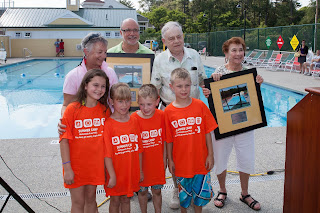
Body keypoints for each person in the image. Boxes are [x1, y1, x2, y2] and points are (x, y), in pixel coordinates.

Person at [150, 21, 207, 209]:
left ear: (183, 37)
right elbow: (155, 89)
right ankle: (178, 188)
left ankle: (196, 187)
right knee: (174, 154)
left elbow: (203, 81)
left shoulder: (195, 56)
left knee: (195, 152)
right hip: (170, 114)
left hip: (194, 114)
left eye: (179, 37)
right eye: (171, 38)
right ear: (164, 40)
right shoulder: (159, 60)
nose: (176, 41)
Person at [203, 37, 263, 211]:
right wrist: (208, 91)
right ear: (226, 53)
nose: (237, 53)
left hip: (245, 124)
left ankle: (245, 193)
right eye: (233, 50)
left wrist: (258, 85)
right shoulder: (218, 73)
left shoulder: (250, 73)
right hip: (224, 125)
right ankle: (222, 190)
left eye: (240, 49)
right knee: (221, 158)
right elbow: (213, 100)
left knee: (246, 158)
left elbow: (252, 100)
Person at [165, 68, 218, 213]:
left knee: (199, 197)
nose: (183, 89)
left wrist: (210, 155)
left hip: (200, 161)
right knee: (184, 197)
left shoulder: (199, 106)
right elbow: (168, 140)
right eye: (179, 86)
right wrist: (170, 160)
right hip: (181, 163)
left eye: (187, 85)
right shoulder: (168, 112)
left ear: (192, 85)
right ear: (172, 87)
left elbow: (208, 132)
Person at [59, 69, 112, 212]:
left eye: (103, 86)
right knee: (78, 203)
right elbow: (64, 141)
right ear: (85, 85)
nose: (99, 89)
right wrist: (67, 168)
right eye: (95, 85)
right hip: (76, 166)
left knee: (91, 200)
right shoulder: (72, 110)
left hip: (95, 166)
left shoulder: (105, 111)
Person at [103, 82, 144, 213]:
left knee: (126, 199)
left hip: (130, 171)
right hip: (115, 171)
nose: (124, 105)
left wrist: (141, 171)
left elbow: (139, 149)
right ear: (111, 101)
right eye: (120, 101)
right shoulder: (108, 124)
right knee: (115, 201)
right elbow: (107, 153)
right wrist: (112, 175)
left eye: (127, 101)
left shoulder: (134, 121)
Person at [60, 32, 118, 118]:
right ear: (86, 52)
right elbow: (66, 105)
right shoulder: (73, 76)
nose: (103, 56)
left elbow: (116, 101)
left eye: (105, 52)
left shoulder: (110, 73)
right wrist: (64, 121)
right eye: (100, 52)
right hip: (84, 126)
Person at [131, 84, 166, 213]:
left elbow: (166, 140)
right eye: (142, 104)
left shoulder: (162, 116)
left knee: (157, 191)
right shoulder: (133, 119)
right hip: (141, 166)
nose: (145, 108)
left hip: (156, 163)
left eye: (149, 104)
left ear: (157, 101)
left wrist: (165, 160)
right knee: (142, 192)